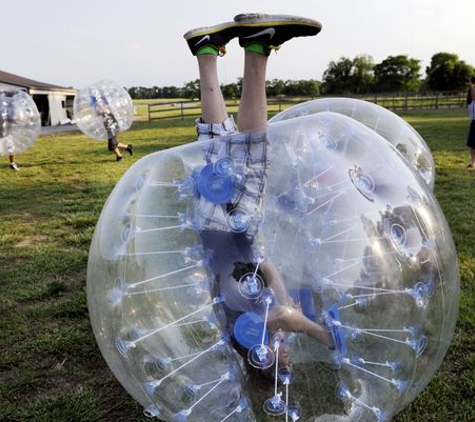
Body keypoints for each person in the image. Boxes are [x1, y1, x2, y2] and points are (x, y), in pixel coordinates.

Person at [184, 13, 333, 367]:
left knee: (250, 156)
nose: (288, 356)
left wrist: (315, 332)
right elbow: (263, 263)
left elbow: (295, 324)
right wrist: (283, 296)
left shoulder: (250, 327)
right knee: (218, 145)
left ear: (261, 358)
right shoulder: (246, 319)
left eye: (283, 361)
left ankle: (258, 44)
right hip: (214, 225)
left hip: (232, 224)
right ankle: (206, 52)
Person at [93, 96, 133, 162]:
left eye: (100, 103)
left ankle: (120, 157)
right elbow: (98, 113)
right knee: (113, 144)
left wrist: (101, 108)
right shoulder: (102, 109)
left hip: (113, 128)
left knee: (112, 145)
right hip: (109, 128)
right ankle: (128, 147)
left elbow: (105, 112)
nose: (99, 104)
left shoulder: (108, 108)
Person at [466, 77, 475, 168]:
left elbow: (473, 95)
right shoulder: (471, 101)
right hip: (474, 122)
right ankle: (473, 163)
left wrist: (471, 85)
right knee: (472, 145)